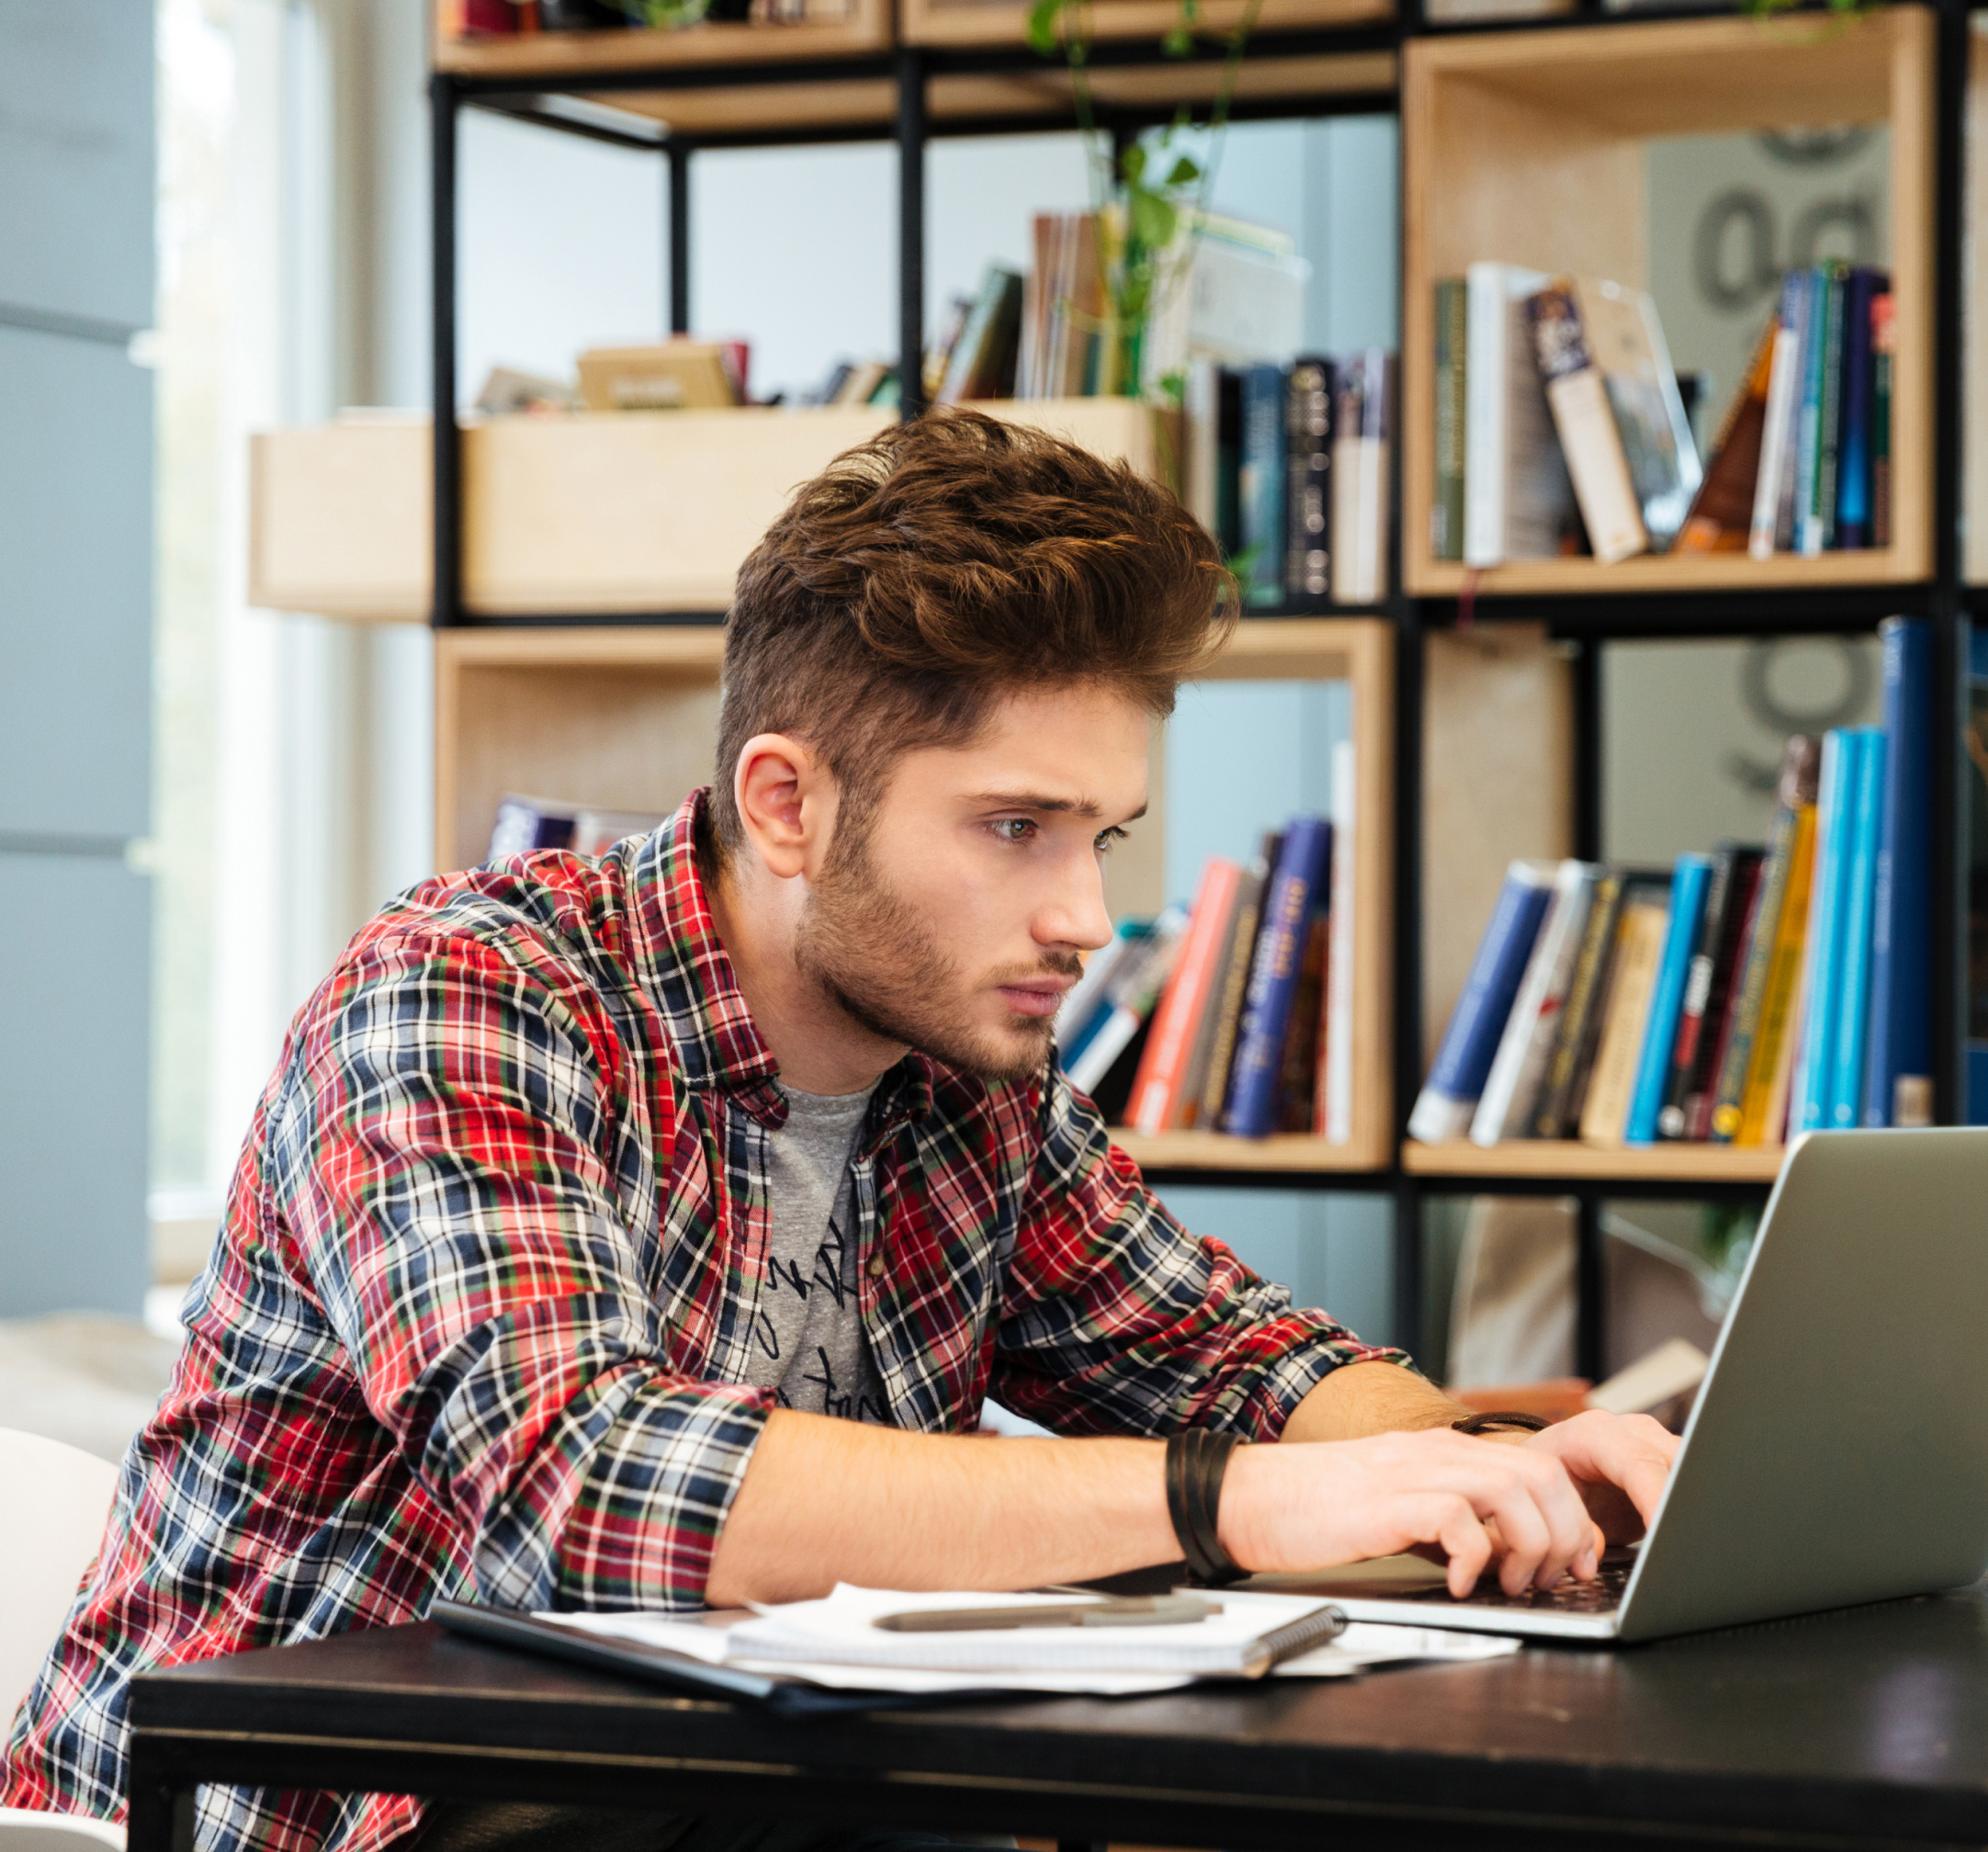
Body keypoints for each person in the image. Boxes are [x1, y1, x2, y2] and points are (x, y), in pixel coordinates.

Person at [1, 413, 1678, 1852]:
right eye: (1016, 829)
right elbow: (587, 1481)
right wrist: (1226, 1502)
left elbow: (1237, 1362)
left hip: (736, 1793)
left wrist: (1474, 1466)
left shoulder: (968, 1072)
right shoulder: (464, 997)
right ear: (787, 802)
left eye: (1104, 833)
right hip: (325, 1817)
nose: (1087, 916)